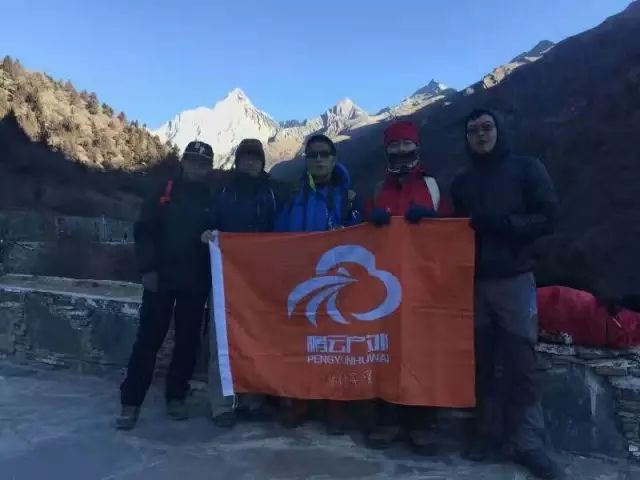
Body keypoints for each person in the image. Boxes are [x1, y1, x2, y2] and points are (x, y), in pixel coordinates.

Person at [451, 109, 562, 479]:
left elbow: (549, 217)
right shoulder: (463, 182)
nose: (480, 135)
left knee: (521, 363)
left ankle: (530, 444)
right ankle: (487, 434)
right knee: (480, 363)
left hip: (515, 279)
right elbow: (453, 229)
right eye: (472, 130)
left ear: (499, 130)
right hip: (476, 281)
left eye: (486, 128)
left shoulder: (527, 169)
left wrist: (507, 225)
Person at [364, 120, 451, 454]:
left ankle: (421, 423)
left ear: (417, 147)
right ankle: (386, 420)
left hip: (424, 285)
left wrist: (434, 221)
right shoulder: (376, 190)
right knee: (384, 350)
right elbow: (362, 234)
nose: (401, 151)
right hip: (385, 286)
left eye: (406, 145)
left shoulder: (433, 187)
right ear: (387, 150)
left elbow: (454, 231)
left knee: (421, 353)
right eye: (395, 146)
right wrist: (371, 223)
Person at [116, 141, 215, 430]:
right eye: (193, 160)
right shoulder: (164, 190)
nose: (198, 166)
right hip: (160, 279)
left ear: (209, 167)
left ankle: (176, 396)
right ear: (183, 162)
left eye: (203, 163)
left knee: (187, 342)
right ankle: (131, 401)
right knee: (148, 340)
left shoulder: (212, 197)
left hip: (195, 281)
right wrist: (147, 269)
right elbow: (144, 231)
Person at [275, 133, 361, 434]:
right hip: (299, 279)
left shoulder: (348, 196)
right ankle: (299, 400)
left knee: (336, 345)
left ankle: (335, 405)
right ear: (307, 161)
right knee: (300, 343)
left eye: (325, 154)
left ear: (334, 159)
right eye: (313, 155)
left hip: (337, 281)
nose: (320, 159)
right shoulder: (294, 195)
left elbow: (362, 235)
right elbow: (276, 234)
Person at [201, 138, 279, 428]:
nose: (250, 162)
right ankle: (222, 403)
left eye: (255, 157)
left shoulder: (272, 193)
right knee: (220, 337)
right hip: (225, 275)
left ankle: (252, 399)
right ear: (237, 160)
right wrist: (208, 234)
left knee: (256, 337)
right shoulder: (223, 190)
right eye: (245, 157)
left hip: (259, 279)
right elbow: (208, 220)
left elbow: (279, 230)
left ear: (262, 161)